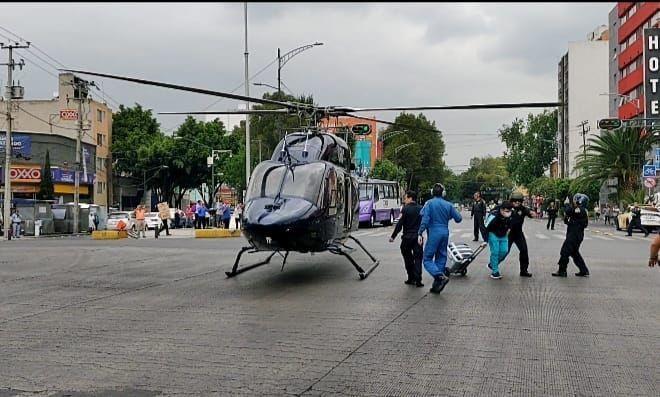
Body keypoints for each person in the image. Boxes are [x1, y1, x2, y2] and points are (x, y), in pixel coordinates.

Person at [418, 183, 462, 294]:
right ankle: (436, 286)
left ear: (432, 192)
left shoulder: (429, 204)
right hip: (445, 232)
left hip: (434, 233)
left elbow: (424, 218)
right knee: (441, 257)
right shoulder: (449, 205)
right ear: (443, 193)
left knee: (427, 259)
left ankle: (439, 276)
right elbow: (459, 218)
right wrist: (448, 215)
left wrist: (420, 232)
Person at [389, 190, 424, 287]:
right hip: (418, 238)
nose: (404, 200)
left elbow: (400, 224)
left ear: (410, 198)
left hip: (407, 238)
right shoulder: (421, 209)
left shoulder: (405, 209)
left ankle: (411, 277)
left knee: (408, 258)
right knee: (418, 258)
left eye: (405, 198)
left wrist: (393, 236)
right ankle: (418, 280)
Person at [552, 193, 590, 277]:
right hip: (576, 235)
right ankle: (584, 270)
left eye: (576, 200)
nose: (574, 201)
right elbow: (569, 218)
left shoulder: (579, 210)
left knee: (565, 252)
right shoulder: (583, 210)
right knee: (574, 253)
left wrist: (566, 204)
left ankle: (562, 270)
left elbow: (568, 211)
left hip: (574, 235)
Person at [501, 192, 533, 277]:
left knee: (524, 250)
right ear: (512, 201)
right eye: (515, 201)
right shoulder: (507, 208)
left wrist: (531, 213)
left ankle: (524, 270)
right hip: (508, 234)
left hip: (518, 234)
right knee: (504, 251)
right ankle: (493, 264)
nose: (517, 202)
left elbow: (529, 213)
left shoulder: (522, 209)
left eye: (519, 201)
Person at [485, 201, 513, 279]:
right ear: (501, 210)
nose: (508, 213)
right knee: (495, 252)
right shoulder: (493, 215)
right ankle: (495, 272)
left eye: (509, 211)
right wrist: (485, 240)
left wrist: (509, 230)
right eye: (507, 211)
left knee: (504, 251)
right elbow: (486, 226)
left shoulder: (511, 214)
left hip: (504, 235)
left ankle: (492, 264)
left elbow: (511, 223)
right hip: (493, 233)